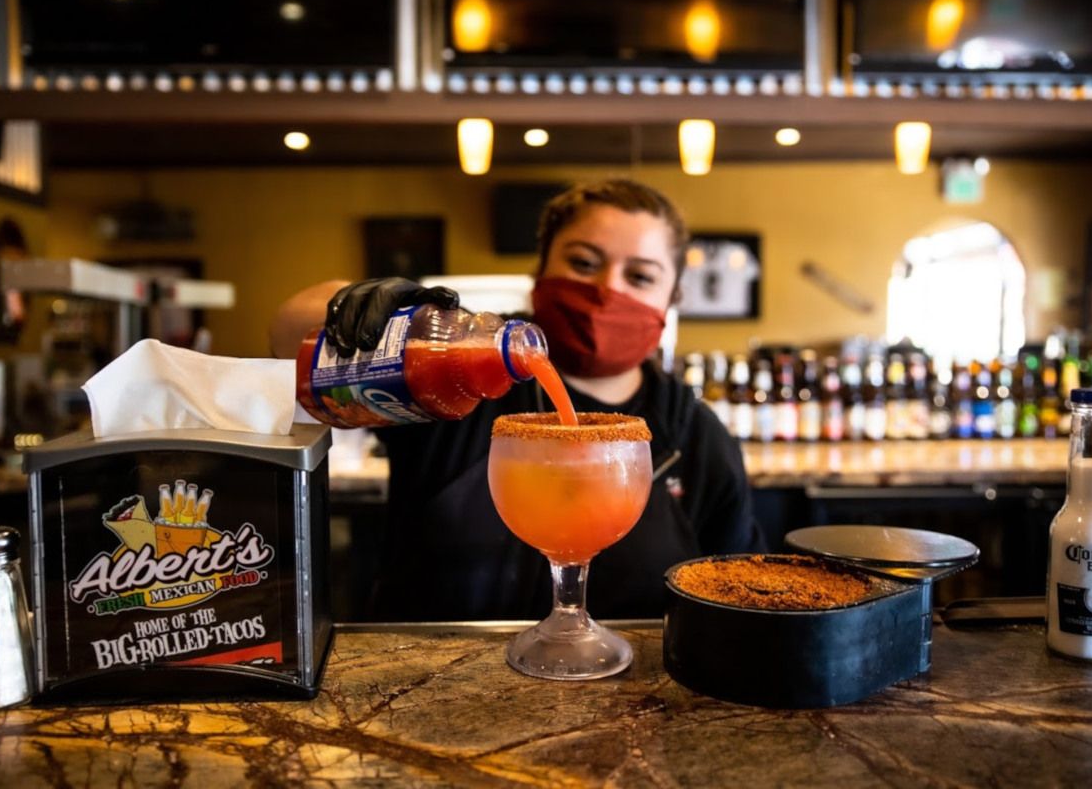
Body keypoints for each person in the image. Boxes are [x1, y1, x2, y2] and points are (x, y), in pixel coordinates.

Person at [271, 178, 766, 621]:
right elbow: (285, 335)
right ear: (539, 273)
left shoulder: (696, 436)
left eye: (639, 276)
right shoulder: (457, 370)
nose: (605, 289)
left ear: (672, 298)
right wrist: (352, 304)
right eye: (583, 262)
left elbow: (741, 600)